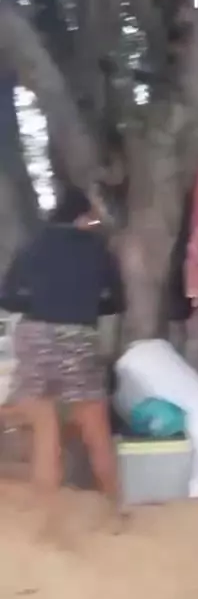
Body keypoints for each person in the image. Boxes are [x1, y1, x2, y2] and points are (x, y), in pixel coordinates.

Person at [0, 187, 125, 540]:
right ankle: (114, 511)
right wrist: (86, 304)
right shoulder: (98, 248)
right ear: (83, 216)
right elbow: (118, 302)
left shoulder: (32, 245)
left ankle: (48, 523)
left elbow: (7, 298)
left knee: (45, 430)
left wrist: (39, 303)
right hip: (77, 337)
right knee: (95, 426)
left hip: (33, 336)